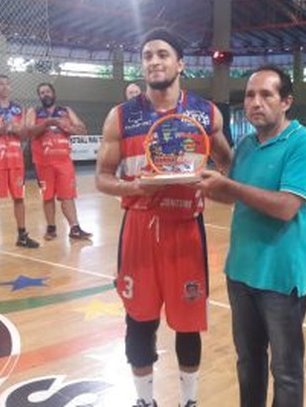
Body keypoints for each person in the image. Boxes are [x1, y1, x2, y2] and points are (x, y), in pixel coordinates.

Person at [95, 28, 232, 407]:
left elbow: (228, 163)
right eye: (148, 55)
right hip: (138, 230)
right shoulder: (120, 117)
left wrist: (215, 183)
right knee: (139, 321)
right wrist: (135, 189)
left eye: (162, 54)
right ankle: (145, 400)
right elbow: (102, 179)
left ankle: (189, 401)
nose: (154, 61)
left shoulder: (205, 113)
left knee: (188, 324)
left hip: (186, 230)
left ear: (180, 64)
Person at [197, 65, 306, 407]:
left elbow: (286, 206)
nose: (255, 102)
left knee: (285, 371)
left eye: (266, 94)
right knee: (248, 364)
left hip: (282, 279)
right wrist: (199, 182)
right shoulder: (247, 145)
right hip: (241, 273)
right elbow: (230, 196)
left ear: (286, 101)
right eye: (250, 95)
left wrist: (230, 185)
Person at [0, 74, 40, 255]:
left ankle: (22, 236)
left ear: (10, 87)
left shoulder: (19, 108)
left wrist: (18, 130)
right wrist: (1, 129)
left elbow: (26, 135)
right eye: (0, 84)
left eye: (6, 84)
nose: (3, 87)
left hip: (15, 160)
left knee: (19, 198)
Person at [26, 82, 92, 241]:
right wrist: (47, 123)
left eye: (47, 91)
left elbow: (82, 130)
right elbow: (28, 132)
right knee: (47, 196)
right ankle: (51, 228)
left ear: (53, 93)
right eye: (41, 93)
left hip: (63, 161)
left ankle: (75, 228)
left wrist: (67, 127)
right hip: (43, 162)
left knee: (68, 195)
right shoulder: (34, 111)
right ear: (39, 96)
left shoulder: (66, 111)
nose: (45, 95)